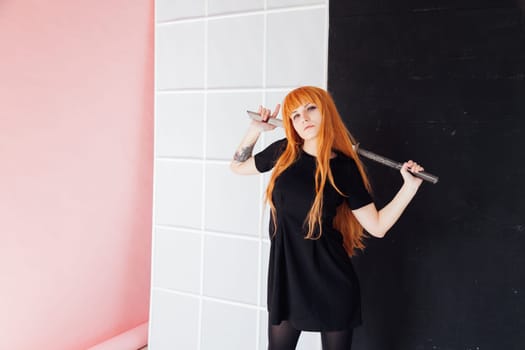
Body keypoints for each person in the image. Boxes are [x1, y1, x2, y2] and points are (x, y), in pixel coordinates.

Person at [230, 86, 424, 350]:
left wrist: (409, 187)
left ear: (326, 112)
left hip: (331, 282)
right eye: (295, 115)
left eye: (311, 108)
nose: (304, 119)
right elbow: (238, 167)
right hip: (287, 278)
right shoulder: (285, 151)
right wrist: (256, 130)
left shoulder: (345, 169)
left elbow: (377, 227)